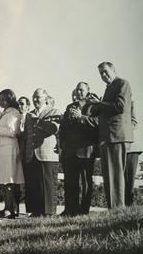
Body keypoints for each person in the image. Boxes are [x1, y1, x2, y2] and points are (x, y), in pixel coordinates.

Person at [93, 62, 133, 209]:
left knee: (116, 174)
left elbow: (120, 106)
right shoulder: (109, 88)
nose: (103, 76)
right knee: (109, 174)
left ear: (113, 70)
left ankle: (118, 208)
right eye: (101, 74)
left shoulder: (122, 84)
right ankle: (113, 208)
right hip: (107, 136)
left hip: (116, 135)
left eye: (105, 72)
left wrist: (99, 104)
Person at [59, 82, 99, 216]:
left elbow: (97, 123)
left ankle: (83, 211)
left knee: (85, 182)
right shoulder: (70, 106)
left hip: (86, 150)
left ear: (88, 91)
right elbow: (63, 127)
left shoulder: (94, 106)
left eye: (82, 90)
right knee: (70, 181)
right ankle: (70, 209)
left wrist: (81, 117)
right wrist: (62, 145)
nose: (79, 92)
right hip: (69, 150)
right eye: (77, 89)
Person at [23, 88, 61, 217]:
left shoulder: (54, 112)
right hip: (31, 154)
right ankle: (36, 211)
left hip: (47, 153)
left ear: (45, 98)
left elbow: (52, 128)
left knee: (48, 183)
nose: (35, 100)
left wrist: (37, 123)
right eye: (34, 97)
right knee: (33, 183)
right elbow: (27, 134)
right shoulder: (29, 114)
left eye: (38, 97)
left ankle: (49, 212)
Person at [0, 89, 24, 219]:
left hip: (9, 150)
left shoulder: (14, 113)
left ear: (10, 100)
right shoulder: (4, 113)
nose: (1, 102)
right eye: (0, 99)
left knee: (9, 180)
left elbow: (12, 131)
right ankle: (7, 208)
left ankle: (10, 209)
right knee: (4, 180)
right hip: (2, 149)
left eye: (3, 99)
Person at [125, 102, 142, 206]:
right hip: (118, 148)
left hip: (131, 148)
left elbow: (134, 123)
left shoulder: (130, 104)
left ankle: (129, 205)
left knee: (129, 181)